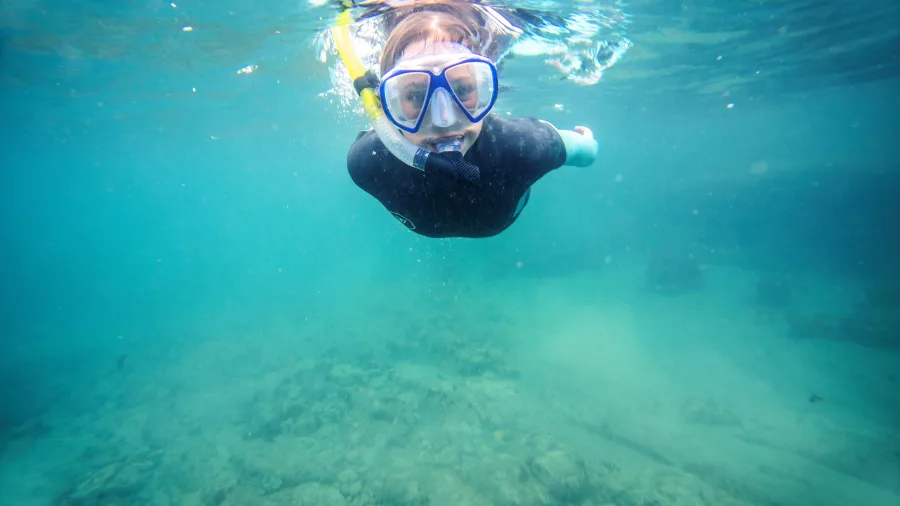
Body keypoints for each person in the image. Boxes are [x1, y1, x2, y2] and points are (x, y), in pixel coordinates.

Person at [337, 2, 600, 238]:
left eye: (462, 90)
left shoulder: (523, 146)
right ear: (388, 106)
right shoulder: (366, 162)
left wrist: (584, 141)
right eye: (417, 96)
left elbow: (587, 150)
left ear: (486, 89)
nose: (443, 120)